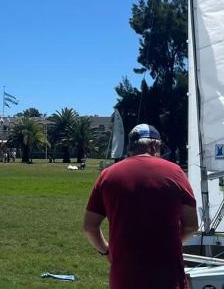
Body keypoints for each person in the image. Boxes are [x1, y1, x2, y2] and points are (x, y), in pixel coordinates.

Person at [83, 124, 198, 289]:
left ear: (130, 146)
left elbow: (89, 227)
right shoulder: (175, 172)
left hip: (124, 277)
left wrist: (107, 251)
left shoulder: (108, 175)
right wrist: (170, 244)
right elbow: (191, 226)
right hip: (168, 277)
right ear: (154, 146)